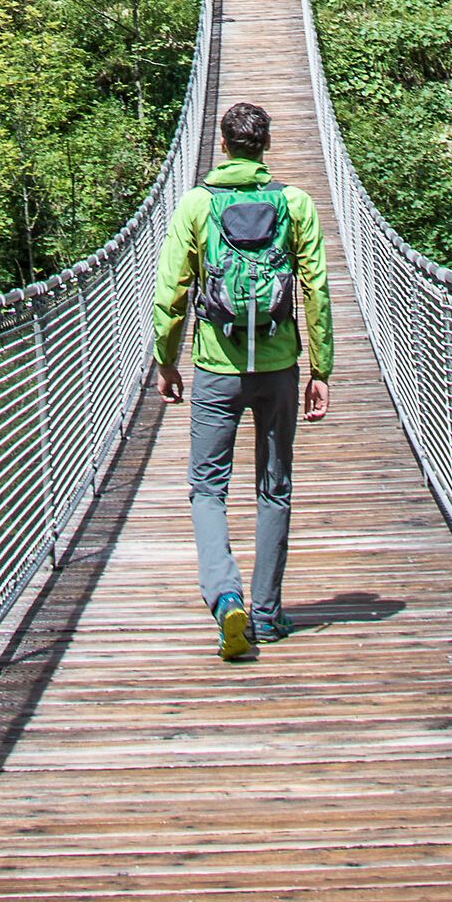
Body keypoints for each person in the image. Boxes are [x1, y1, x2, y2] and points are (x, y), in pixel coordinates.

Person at [152, 96, 333, 659]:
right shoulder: (296, 203)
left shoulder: (195, 207)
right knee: (274, 487)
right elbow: (317, 292)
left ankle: (226, 599)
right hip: (278, 367)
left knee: (208, 488)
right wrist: (321, 368)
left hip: (216, 368)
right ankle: (269, 613)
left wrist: (166, 358)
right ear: (268, 147)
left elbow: (171, 292)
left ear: (223, 146)